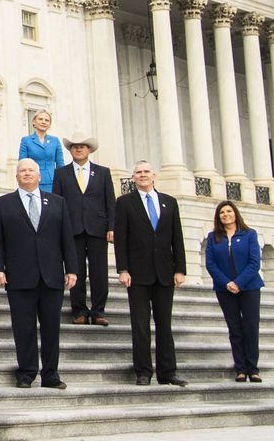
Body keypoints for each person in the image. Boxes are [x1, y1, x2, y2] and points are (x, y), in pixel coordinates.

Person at [0, 157, 76, 389]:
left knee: (51, 328)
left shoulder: (58, 203)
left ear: (39, 176)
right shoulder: (2, 204)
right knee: (23, 327)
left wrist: (72, 269)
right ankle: (26, 372)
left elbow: (67, 238)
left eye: (31, 170)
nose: (27, 174)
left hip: (52, 276)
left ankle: (51, 375)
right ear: (16, 176)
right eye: (22, 171)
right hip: (19, 276)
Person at [113, 161, 187, 387]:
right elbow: (121, 239)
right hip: (137, 274)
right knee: (140, 325)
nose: (143, 175)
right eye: (138, 172)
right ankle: (143, 371)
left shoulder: (169, 202)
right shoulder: (124, 203)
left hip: (165, 273)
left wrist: (180, 269)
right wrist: (122, 269)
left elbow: (177, 238)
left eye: (146, 172)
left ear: (154, 175)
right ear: (133, 177)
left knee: (165, 324)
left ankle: (168, 372)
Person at [53, 134, 114, 326]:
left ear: (89, 150)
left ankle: (98, 311)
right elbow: (57, 204)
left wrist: (112, 227)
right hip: (72, 229)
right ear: (70, 151)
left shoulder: (102, 172)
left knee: (99, 272)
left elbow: (110, 202)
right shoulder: (61, 173)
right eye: (75, 147)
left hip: (97, 229)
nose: (78, 149)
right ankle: (78, 310)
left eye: (82, 147)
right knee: (75, 270)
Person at [202, 200, 263, 382]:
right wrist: (227, 283)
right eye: (222, 212)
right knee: (234, 328)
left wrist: (238, 282)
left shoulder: (249, 234)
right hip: (224, 289)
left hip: (249, 287)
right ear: (218, 217)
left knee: (251, 327)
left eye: (229, 211)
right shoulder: (213, 237)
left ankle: (253, 368)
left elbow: (254, 262)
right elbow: (210, 264)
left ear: (235, 213)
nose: (226, 215)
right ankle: (240, 369)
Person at [18, 110, 68, 192]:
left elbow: (60, 164)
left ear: (50, 124)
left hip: (52, 182)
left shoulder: (55, 141)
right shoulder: (26, 140)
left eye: (46, 120)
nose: (43, 122)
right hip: (32, 180)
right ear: (34, 121)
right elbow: (22, 163)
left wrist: (63, 182)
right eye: (40, 119)